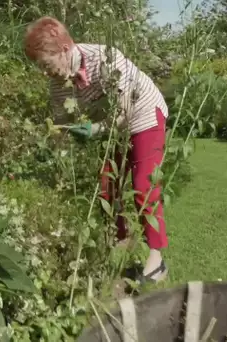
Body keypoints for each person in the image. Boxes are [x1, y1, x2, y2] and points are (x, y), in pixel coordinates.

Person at [23, 16, 169, 283]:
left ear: (64, 49)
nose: (45, 72)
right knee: (106, 188)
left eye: (46, 64)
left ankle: (157, 260)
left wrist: (95, 130)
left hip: (144, 114)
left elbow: (124, 111)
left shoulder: (105, 57)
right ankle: (117, 243)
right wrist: (54, 145)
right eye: (40, 67)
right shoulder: (57, 85)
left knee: (143, 186)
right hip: (111, 126)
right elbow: (61, 123)